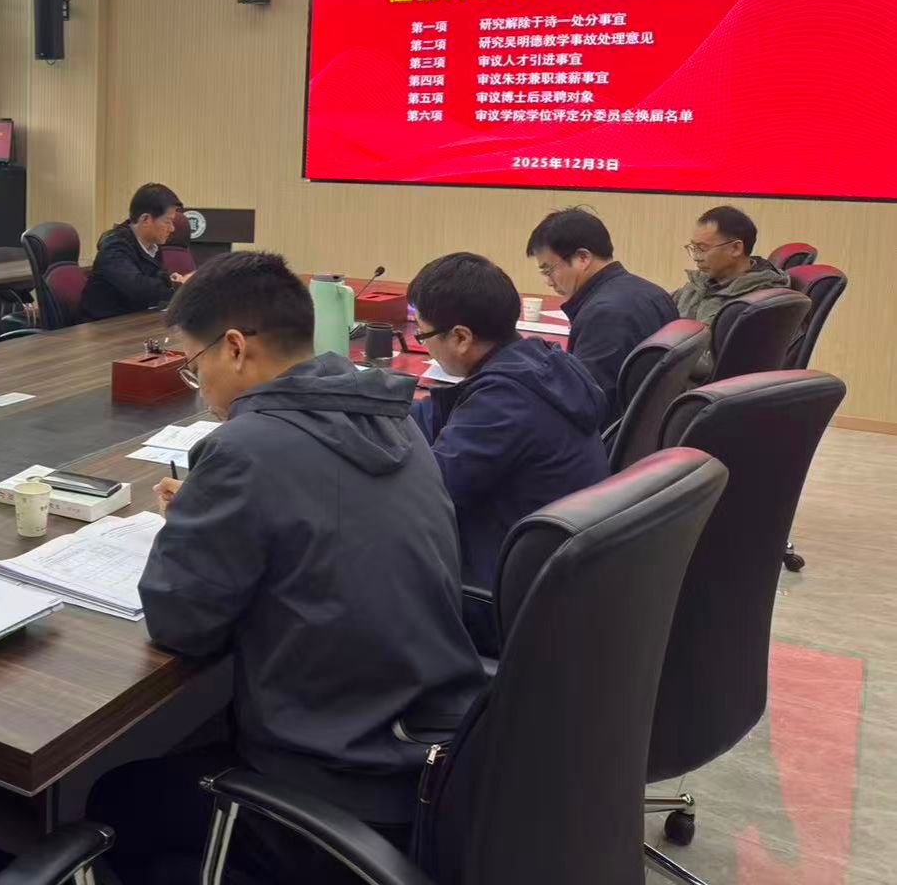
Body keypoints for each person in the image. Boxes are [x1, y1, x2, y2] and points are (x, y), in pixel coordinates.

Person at [88, 252, 485, 885]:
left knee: (113, 796)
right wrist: (212, 514)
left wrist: (192, 526)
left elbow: (179, 622)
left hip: (335, 785)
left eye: (194, 366)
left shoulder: (245, 448)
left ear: (235, 347)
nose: (200, 389)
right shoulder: (393, 418)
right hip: (432, 757)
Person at [409, 252, 609, 591]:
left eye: (423, 335)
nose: (424, 344)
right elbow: (446, 416)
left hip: (504, 589)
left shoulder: (504, 402)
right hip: (556, 569)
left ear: (461, 338)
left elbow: (426, 494)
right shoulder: (540, 360)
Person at [526, 207, 677, 421]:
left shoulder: (605, 315)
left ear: (582, 258)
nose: (548, 281)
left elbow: (584, 405)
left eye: (548, 270)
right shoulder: (653, 292)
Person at [80, 183, 189, 322]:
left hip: (132, 322)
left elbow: (155, 277)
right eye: (168, 222)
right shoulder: (114, 246)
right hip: (101, 327)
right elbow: (138, 287)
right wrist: (181, 289)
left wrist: (170, 279)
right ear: (145, 219)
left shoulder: (152, 246)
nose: (172, 229)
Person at [673, 204, 793, 329]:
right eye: (694, 248)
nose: (696, 257)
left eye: (702, 248)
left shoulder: (757, 302)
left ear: (736, 248)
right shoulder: (702, 281)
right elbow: (664, 306)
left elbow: (702, 339)